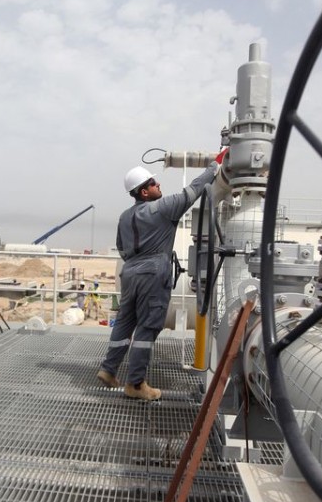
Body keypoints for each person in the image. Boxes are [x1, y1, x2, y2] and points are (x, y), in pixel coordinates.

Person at [97, 150, 226, 400]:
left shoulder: (124, 217)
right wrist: (214, 166)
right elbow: (194, 190)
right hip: (153, 274)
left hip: (130, 272)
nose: (159, 185)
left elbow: (122, 249)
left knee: (124, 323)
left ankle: (108, 369)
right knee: (147, 327)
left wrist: (138, 262)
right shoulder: (163, 208)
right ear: (144, 192)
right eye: (154, 183)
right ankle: (135, 384)